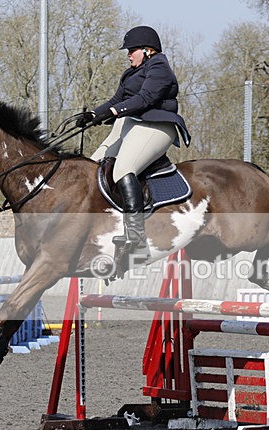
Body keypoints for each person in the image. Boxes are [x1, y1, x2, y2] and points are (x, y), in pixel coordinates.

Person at [77, 25, 191, 258]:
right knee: (90, 168)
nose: (128, 54)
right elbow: (117, 99)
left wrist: (113, 111)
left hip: (157, 125)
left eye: (132, 50)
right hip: (131, 123)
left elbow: (145, 98)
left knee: (123, 168)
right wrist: (93, 116)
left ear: (148, 50)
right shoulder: (130, 73)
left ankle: (136, 234)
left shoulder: (160, 68)